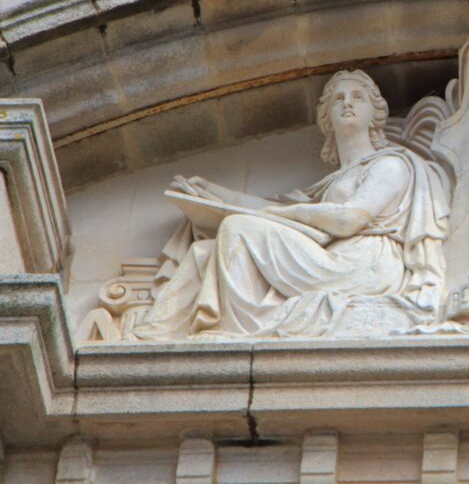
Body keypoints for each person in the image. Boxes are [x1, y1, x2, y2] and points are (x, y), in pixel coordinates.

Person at [132, 70, 450, 339]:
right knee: (206, 251)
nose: (347, 103)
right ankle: (155, 332)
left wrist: (287, 213)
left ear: (374, 114)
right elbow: (273, 205)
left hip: (363, 265)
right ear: (326, 117)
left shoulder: (390, 165)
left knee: (237, 229)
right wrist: (214, 194)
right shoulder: (332, 183)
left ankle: (249, 328)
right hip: (330, 256)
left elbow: (348, 220)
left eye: (358, 97)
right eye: (338, 99)